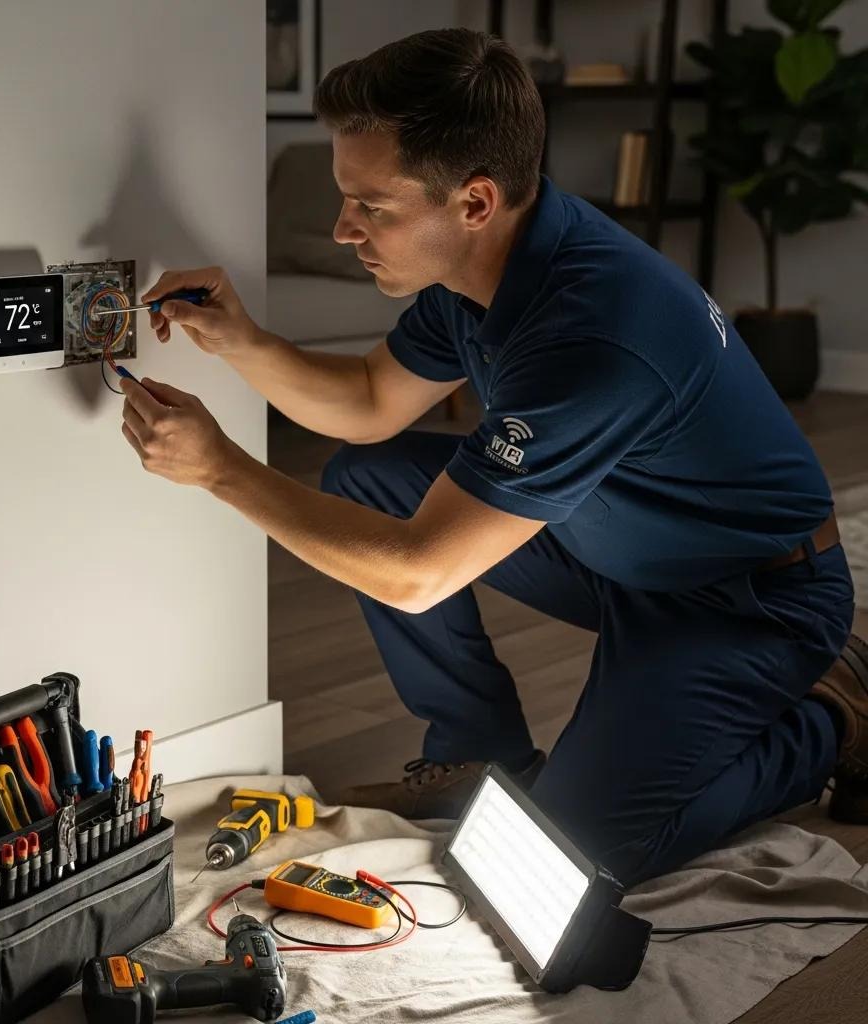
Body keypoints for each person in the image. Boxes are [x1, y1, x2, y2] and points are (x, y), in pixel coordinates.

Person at [119, 28, 865, 886]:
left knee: (572, 855)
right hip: (623, 545)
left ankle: (832, 721)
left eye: (373, 207)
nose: (341, 229)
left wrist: (222, 470)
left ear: (473, 203)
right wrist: (242, 342)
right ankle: (479, 753)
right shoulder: (480, 271)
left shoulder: (591, 335)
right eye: (345, 198)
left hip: (749, 600)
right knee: (367, 478)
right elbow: (369, 400)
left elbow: (418, 574)